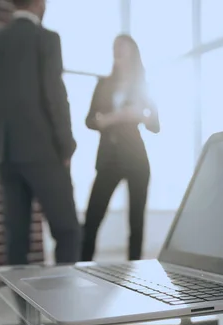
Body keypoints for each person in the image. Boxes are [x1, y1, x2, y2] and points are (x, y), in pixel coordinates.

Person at [0, 0, 81, 265]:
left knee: (16, 237)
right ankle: (63, 303)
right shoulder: (46, 39)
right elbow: (54, 96)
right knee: (67, 231)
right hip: (43, 149)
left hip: (4, 152)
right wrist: (66, 146)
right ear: (39, 3)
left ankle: (18, 303)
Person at [82, 34, 160, 262]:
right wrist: (110, 119)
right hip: (108, 158)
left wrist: (140, 116)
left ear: (133, 52)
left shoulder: (143, 85)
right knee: (92, 218)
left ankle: (135, 271)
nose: (117, 50)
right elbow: (89, 120)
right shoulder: (103, 84)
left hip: (136, 157)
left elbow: (155, 125)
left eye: (122, 47)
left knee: (136, 222)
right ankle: (81, 265)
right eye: (114, 46)